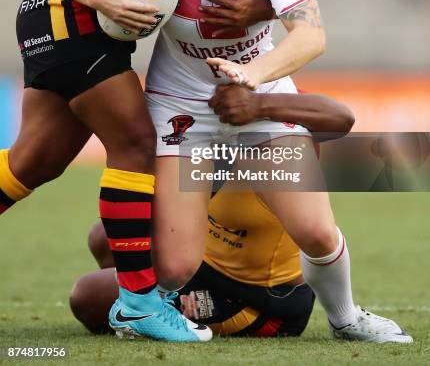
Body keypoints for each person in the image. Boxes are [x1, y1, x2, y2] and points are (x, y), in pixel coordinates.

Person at [63, 0, 412, 344]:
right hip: (180, 110)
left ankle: (347, 318)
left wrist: (255, 75)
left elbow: (311, 36)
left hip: (258, 109)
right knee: (177, 265)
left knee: (315, 233)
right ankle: (147, 309)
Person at [0, 0, 310, 344]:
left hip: (95, 22)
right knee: (139, 146)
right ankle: (141, 304)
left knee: (32, 162)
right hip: (70, 5)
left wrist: (262, 1)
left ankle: (141, 297)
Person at [70, 88, 355, 337]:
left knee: (87, 296)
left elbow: (340, 116)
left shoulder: (274, 127)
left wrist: (258, 104)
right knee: (104, 237)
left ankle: (151, 305)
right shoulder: (199, 113)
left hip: (257, 299)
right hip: (204, 261)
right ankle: (151, 297)